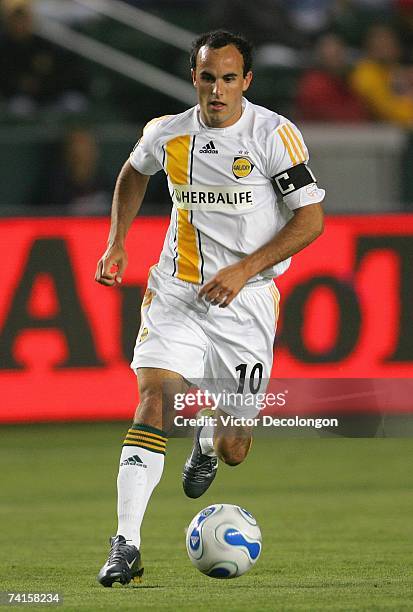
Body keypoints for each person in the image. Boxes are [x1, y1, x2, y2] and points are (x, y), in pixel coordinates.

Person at [95, 30, 325, 587]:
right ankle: (126, 543)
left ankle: (206, 438)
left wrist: (245, 269)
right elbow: (133, 173)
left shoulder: (274, 135)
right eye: (207, 77)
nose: (216, 90)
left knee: (234, 447)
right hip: (177, 290)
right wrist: (117, 240)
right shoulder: (167, 133)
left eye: (228, 78)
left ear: (246, 81)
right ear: (193, 77)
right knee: (155, 397)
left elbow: (310, 220)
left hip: (246, 303)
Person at [295, 33, 370, 122]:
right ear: (320, 56)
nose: (333, 58)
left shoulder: (354, 79)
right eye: (328, 53)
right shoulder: (313, 84)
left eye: (337, 53)